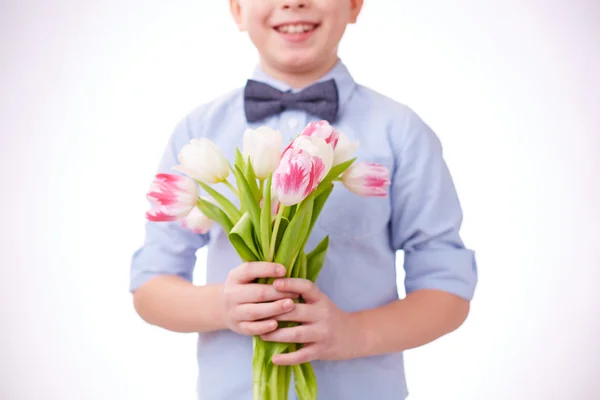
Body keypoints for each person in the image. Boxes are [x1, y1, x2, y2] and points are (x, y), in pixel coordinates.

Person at [129, 0, 478, 399]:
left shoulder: (401, 131)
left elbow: (447, 289)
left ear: (354, 5)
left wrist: (355, 333)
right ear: (237, 9)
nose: (293, 2)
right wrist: (222, 306)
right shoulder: (199, 131)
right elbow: (150, 287)